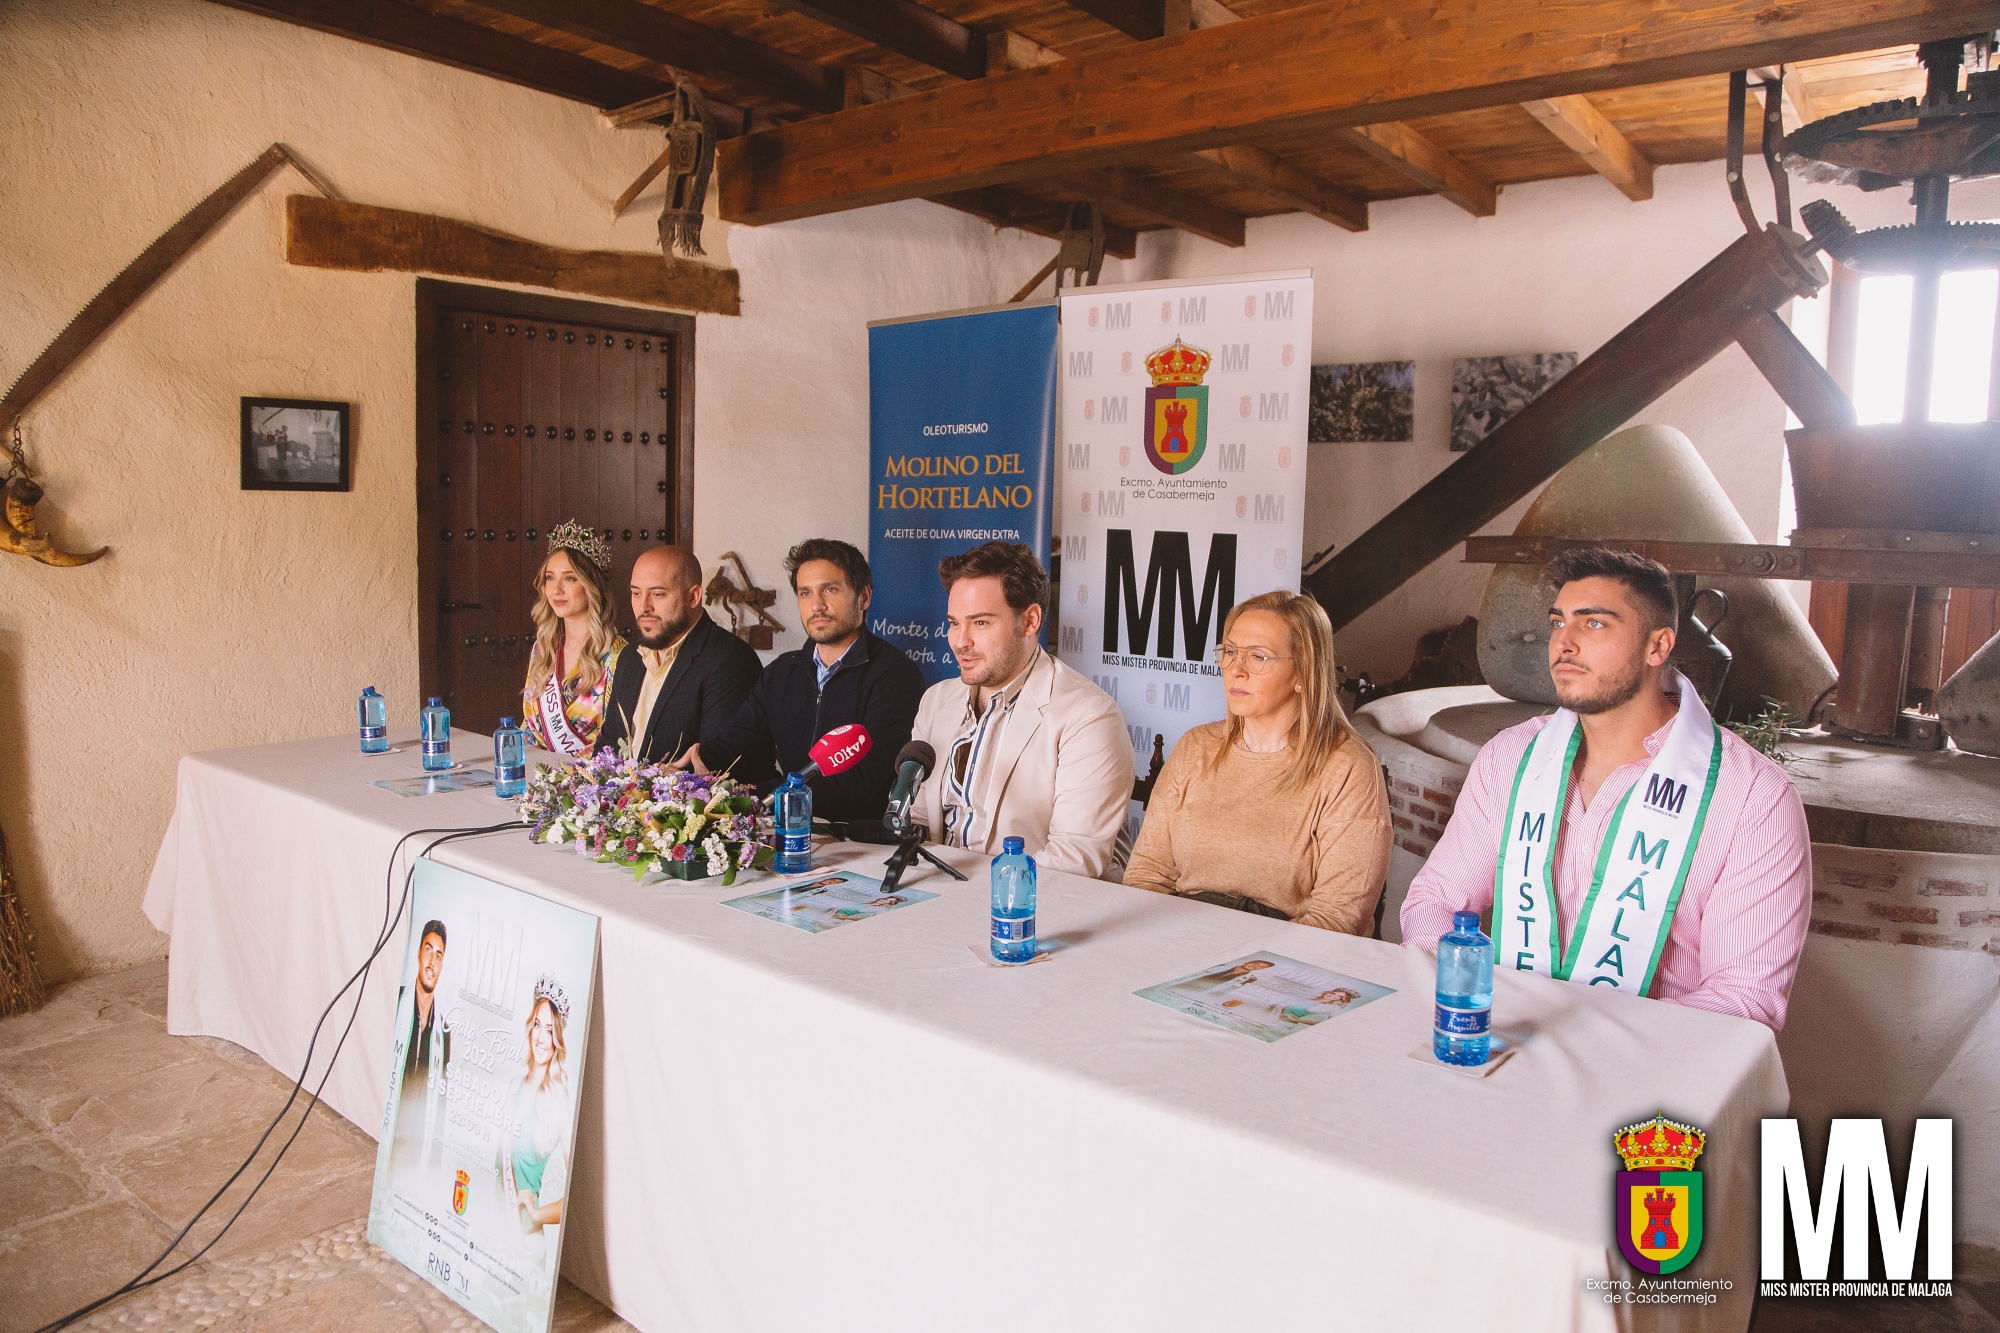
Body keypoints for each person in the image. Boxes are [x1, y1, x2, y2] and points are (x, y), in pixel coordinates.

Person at [1401, 548, 1812, 1032]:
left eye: (1594, 624)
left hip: (1655, 1075)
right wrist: (1471, 995)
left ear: (1657, 647)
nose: (1563, 644)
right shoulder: (1512, 758)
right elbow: (1433, 903)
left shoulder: (1753, 798)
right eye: (1559, 622)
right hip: (1505, 1041)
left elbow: (1746, 998)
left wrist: (1580, 1034)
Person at [1123, 591, 1391, 934]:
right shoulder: (1196, 747)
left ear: (1302, 673)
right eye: (1231, 652)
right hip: (1179, 937)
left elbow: (1337, 920)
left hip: (1287, 957)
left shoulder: (1347, 767)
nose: (1236, 670)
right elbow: (1147, 874)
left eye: (1258, 657)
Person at [907, 541, 1134, 880]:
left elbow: (1074, 860)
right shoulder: (936, 701)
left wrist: (969, 892)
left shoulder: (1089, 716)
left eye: (980, 623)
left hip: (1030, 908)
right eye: (954, 622)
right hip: (938, 893)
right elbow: (919, 818)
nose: (959, 641)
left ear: (1029, 621)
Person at [691, 539, 923, 820]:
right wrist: (690, 769)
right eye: (805, 593)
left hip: (859, 847)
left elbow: (858, 787)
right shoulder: (781, 672)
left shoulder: (896, 676)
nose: (817, 605)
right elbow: (734, 743)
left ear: (863, 597)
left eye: (830, 589)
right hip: (788, 831)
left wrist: (749, 796)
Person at [595, 545, 763, 764]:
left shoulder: (731, 661)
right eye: (636, 593)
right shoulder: (630, 657)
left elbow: (716, 767)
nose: (644, 606)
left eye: (657, 594)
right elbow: (607, 744)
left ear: (693, 597)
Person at [522, 522, 626, 757]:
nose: (556, 589)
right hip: (536, 777)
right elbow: (530, 727)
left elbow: (619, 740)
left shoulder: (617, 656)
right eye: (550, 578)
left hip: (589, 782)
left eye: (569, 579)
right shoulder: (543, 648)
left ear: (591, 586)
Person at [500, 977, 574, 1271]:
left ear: (557, 1040)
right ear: (530, 1026)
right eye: (538, 1026)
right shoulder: (512, 1085)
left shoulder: (559, 1104)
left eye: (550, 1030)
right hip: (496, 1227)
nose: (542, 1038)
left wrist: (536, 1213)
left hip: (527, 1244)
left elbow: (573, 1191)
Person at [390, 920, 449, 1165]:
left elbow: (439, 1108)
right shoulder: (397, 1004)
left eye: (438, 955)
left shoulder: (443, 1034)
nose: (431, 963)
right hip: (388, 1135)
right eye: (428, 950)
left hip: (415, 1155)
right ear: (418, 954)